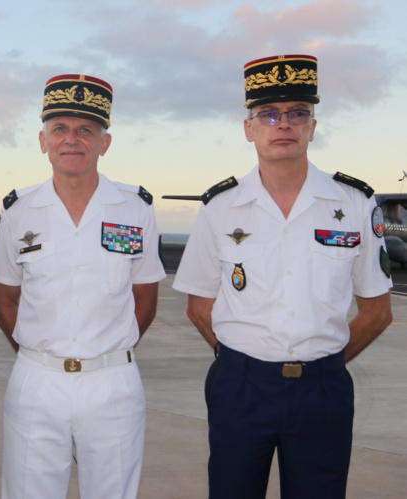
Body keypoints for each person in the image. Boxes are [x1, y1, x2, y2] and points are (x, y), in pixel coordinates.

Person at [173, 54, 393, 498]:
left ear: (313, 126)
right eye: (268, 114)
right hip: (241, 390)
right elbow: (199, 307)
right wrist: (249, 362)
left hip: (324, 392)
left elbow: (378, 310)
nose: (284, 124)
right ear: (249, 127)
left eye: (298, 113)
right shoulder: (221, 207)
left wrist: (320, 363)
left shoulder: (354, 204)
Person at [0, 74, 166, 498]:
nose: (73, 139)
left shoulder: (134, 208)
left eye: (86, 129)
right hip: (37, 382)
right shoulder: (19, 210)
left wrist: (106, 352)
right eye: (60, 129)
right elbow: (5, 299)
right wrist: (38, 354)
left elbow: (146, 299)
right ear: (43, 139)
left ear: (104, 142)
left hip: (112, 383)